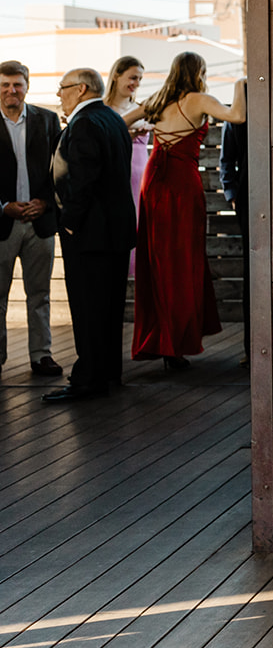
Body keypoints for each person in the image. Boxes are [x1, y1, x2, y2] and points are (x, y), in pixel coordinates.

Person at [129, 52, 245, 370]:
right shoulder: (199, 99)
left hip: (153, 182)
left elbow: (119, 121)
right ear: (200, 71)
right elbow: (237, 116)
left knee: (158, 261)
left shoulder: (158, 98)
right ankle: (175, 343)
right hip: (180, 184)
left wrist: (139, 129)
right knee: (182, 261)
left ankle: (165, 341)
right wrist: (240, 83)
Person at [45, 68, 136, 402]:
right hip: (115, 232)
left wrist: (69, 222)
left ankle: (88, 380)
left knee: (88, 307)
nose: (59, 95)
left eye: (63, 88)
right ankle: (109, 371)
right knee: (109, 307)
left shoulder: (84, 124)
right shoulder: (112, 119)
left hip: (89, 233)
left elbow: (81, 179)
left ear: (81, 89)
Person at [0, 60, 63, 377]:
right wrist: (2, 206)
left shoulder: (48, 120)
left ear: (27, 85)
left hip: (40, 221)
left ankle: (42, 355)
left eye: (18, 84)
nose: (12, 90)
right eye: (5, 84)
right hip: (2, 223)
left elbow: (61, 171)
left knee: (40, 294)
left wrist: (46, 203)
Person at [107, 56, 149, 277]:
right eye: (133, 77)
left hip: (142, 175)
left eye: (140, 79)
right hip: (116, 175)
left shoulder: (142, 108)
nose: (136, 83)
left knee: (141, 227)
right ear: (116, 75)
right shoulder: (103, 109)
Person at [219, 114, 249, 360]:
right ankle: (252, 350)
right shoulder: (239, 110)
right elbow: (226, 159)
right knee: (252, 272)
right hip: (248, 200)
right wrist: (232, 193)